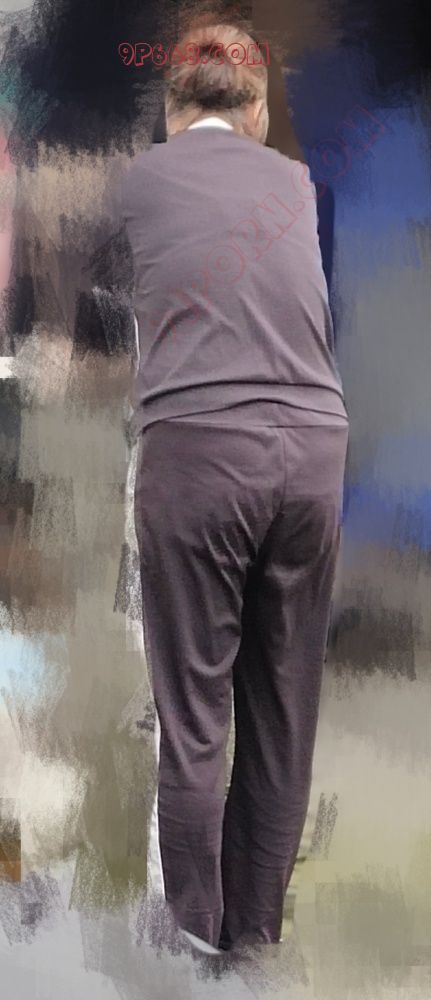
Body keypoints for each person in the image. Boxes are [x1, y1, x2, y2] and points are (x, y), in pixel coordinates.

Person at [121, 21, 349, 955]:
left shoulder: (139, 182)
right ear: (255, 111)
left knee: (194, 717)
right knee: (281, 716)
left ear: (170, 108)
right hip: (314, 449)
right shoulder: (295, 185)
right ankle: (252, 951)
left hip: (202, 449)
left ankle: (192, 955)